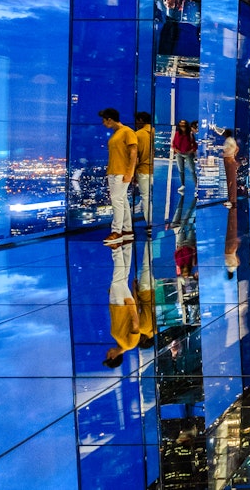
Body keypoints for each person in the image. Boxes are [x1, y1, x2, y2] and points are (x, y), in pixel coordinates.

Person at [99, 108, 138, 245]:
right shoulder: (116, 133)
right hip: (114, 171)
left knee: (117, 200)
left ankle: (116, 231)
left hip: (121, 172)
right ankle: (127, 230)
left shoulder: (127, 131)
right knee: (122, 200)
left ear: (110, 119)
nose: (103, 123)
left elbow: (133, 153)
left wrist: (130, 172)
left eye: (104, 120)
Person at [103, 242, 139, 368]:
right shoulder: (129, 345)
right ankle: (116, 248)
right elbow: (135, 324)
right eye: (107, 355)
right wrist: (131, 306)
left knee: (123, 277)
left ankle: (127, 243)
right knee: (117, 280)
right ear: (113, 357)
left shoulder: (120, 342)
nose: (107, 353)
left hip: (119, 305)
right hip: (120, 305)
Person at [134, 112, 154, 232]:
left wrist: (132, 173)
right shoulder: (156, 132)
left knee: (146, 198)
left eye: (137, 121)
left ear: (141, 120)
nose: (136, 123)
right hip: (156, 171)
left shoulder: (138, 134)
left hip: (143, 170)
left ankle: (150, 224)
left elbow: (135, 156)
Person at [172, 120, 198, 192]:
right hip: (179, 154)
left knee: (192, 170)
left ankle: (196, 185)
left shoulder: (190, 135)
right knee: (181, 170)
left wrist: (191, 151)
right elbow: (173, 143)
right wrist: (176, 150)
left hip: (188, 154)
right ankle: (182, 185)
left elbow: (194, 145)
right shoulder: (177, 134)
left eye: (184, 125)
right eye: (181, 125)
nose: (182, 127)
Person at [221, 128, 239, 208]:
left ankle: (232, 201)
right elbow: (237, 148)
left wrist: (226, 154)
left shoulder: (228, 141)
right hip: (231, 159)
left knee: (230, 181)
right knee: (231, 180)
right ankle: (232, 200)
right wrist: (233, 155)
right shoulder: (232, 140)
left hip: (229, 160)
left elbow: (226, 150)